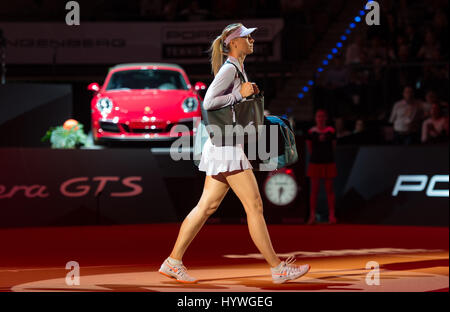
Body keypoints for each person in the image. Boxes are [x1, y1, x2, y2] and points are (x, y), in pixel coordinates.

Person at [158, 23, 310, 284]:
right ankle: (277, 268)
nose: (252, 39)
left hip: (226, 145)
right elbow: (208, 102)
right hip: (226, 147)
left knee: (207, 206)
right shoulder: (229, 69)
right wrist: (238, 95)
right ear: (234, 42)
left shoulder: (236, 67)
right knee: (254, 206)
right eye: (246, 36)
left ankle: (173, 261)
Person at [306, 109, 337, 225]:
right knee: (314, 191)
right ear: (315, 118)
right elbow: (310, 148)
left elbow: (333, 147)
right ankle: (312, 216)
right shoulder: (311, 132)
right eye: (319, 116)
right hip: (315, 163)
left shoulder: (331, 131)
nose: (321, 118)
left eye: (323, 116)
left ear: (326, 118)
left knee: (330, 190)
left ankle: (332, 216)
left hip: (328, 162)